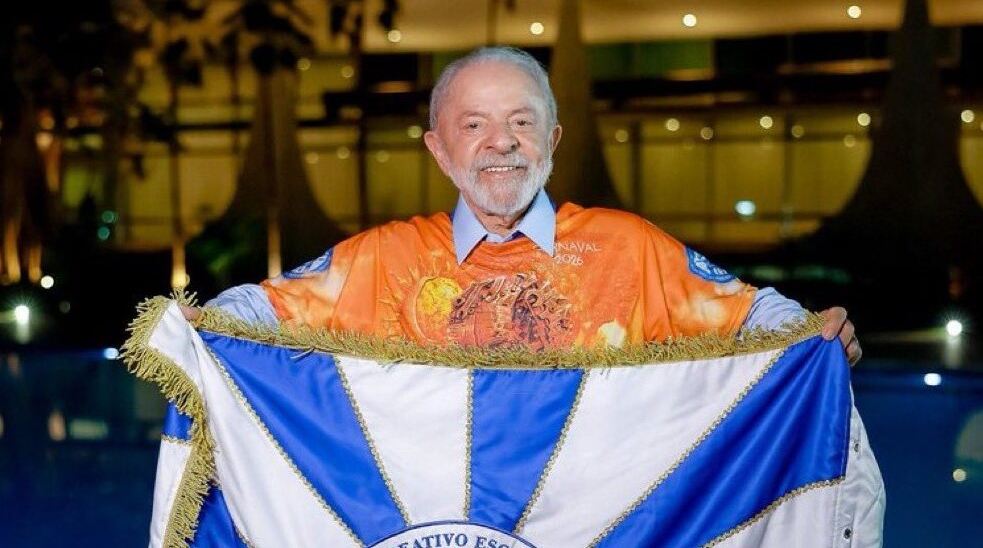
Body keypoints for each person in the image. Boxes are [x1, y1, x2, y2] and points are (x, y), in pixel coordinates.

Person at [182, 46, 861, 362]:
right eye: (472, 125)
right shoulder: (383, 259)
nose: (499, 142)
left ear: (552, 142)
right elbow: (260, 308)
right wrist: (192, 325)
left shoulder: (626, 247)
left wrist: (814, 331)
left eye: (522, 122)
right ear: (439, 151)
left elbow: (748, 314)